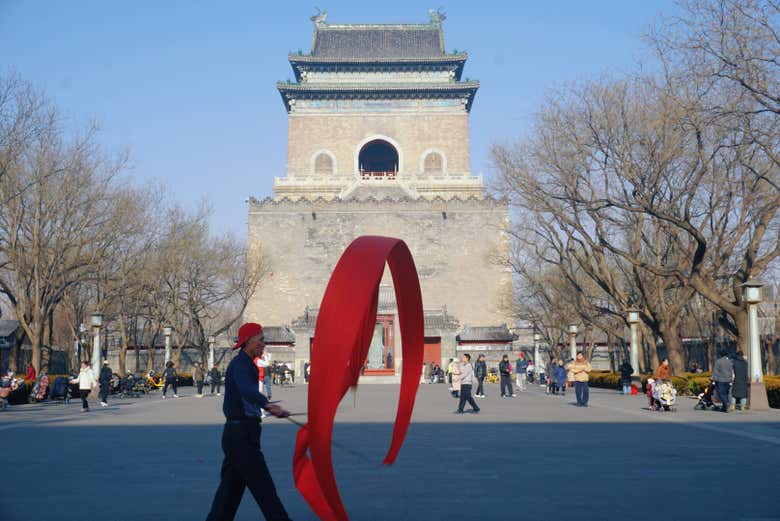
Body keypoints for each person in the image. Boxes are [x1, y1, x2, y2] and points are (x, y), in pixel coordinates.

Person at [205, 322, 292, 521]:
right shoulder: (241, 364)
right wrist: (268, 405)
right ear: (248, 341)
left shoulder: (246, 363)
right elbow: (246, 390)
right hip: (241, 435)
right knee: (264, 489)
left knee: (229, 494)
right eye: (261, 340)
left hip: (241, 434)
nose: (264, 344)